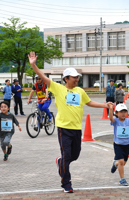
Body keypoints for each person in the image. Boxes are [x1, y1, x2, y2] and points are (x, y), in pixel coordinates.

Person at [28, 51, 111, 193]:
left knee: (75, 155)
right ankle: (66, 184)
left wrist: (104, 105)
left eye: (77, 77)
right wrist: (34, 65)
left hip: (77, 128)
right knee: (66, 156)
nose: (77, 79)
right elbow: (43, 77)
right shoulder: (58, 88)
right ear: (66, 78)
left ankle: (60, 162)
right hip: (63, 128)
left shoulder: (80, 91)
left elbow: (89, 102)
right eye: (74, 77)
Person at [108, 103, 129, 186]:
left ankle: (115, 164)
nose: (123, 114)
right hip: (118, 144)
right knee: (121, 162)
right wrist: (111, 109)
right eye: (121, 112)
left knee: (123, 163)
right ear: (117, 113)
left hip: (127, 145)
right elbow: (111, 118)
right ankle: (122, 179)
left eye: (124, 112)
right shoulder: (115, 121)